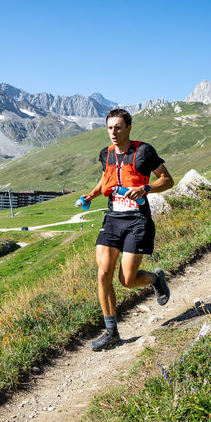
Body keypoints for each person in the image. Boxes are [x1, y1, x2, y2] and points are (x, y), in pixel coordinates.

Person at [79, 109, 173, 351]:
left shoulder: (144, 151)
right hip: (112, 219)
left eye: (118, 127)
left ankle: (155, 278)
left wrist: (146, 188)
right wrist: (92, 194)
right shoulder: (106, 154)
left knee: (127, 280)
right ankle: (112, 334)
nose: (113, 132)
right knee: (103, 274)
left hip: (137, 221)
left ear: (128, 128)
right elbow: (106, 179)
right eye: (110, 127)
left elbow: (167, 179)